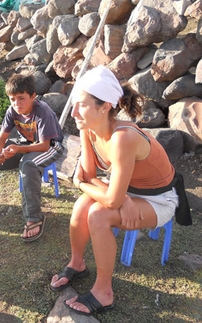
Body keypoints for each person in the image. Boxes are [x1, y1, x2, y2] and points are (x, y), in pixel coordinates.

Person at [49, 65, 179, 316]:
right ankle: (77, 263)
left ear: (105, 106)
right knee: (82, 205)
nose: (74, 111)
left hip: (159, 199)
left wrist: (99, 191)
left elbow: (87, 182)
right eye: (74, 103)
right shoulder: (87, 127)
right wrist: (121, 198)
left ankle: (103, 292)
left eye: (82, 105)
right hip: (128, 189)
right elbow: (89, 175)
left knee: (98, 213)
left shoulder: (123, 138)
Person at [0, 73, 64, 242]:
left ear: (33, 96)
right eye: (12, 99)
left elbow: (44, 145)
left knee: (27, 164)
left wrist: (17, 149)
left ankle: (34, 218)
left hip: (51, 147)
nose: (17, 104)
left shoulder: (42, 111)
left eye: (21, 98)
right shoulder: (12, 111)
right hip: (26, 143)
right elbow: (1, 137)